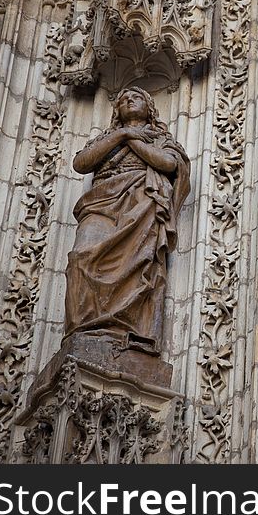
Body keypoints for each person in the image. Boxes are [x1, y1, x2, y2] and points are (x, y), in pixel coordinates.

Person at [64, 86, 190, 350]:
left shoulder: (160, 139)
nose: (129, 101)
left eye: (136, 97)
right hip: (101, 203)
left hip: (140, 205)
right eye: (123, 100)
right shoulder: (107, 138)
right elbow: (81, 163)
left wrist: (133, 139)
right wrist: (122, 133)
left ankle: (126, 328)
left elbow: (168, 164)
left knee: (139, 263)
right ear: (116, 112)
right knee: (80, 257)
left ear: (150, 109)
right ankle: (84, 328)